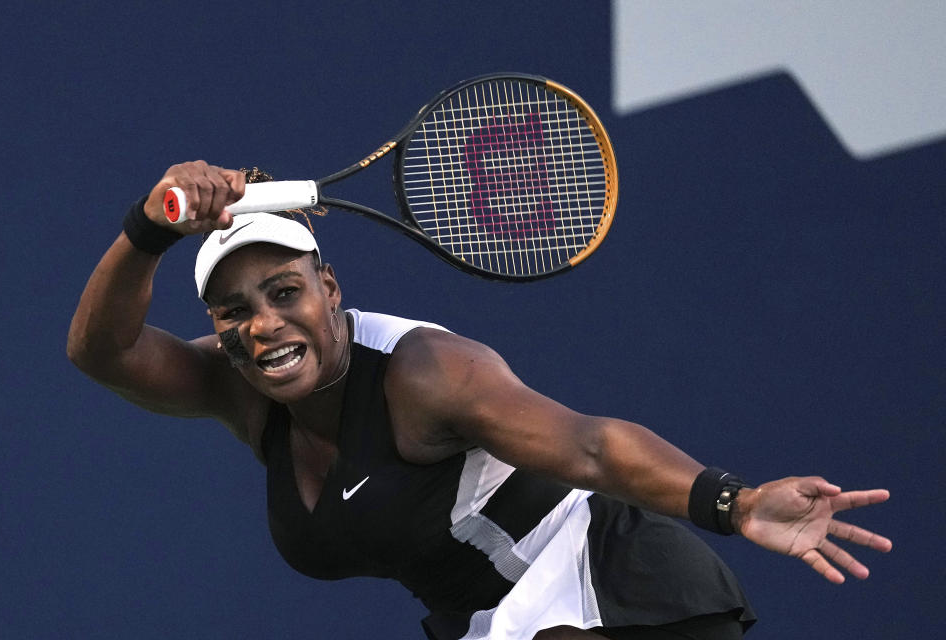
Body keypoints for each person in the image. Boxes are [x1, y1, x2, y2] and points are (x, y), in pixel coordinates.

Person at [67, 161, 892, 640]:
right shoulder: (241, 385)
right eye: (234, 310)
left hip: (612, 592)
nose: (264, 325)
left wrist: (735, 502)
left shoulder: (426, 371)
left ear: (330, 288)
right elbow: (99, 351)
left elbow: (592, 447)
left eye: (285, 293)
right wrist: (148, 228)